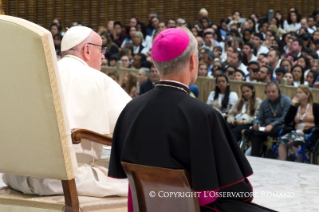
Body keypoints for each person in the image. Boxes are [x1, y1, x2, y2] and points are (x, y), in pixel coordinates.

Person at [109, 27, 275, 212]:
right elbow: (237, 190)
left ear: (156, 64)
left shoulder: (130, 108)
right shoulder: (204, 115)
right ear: (193, 61)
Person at [3, 26, 131, 197]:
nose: (102, 56)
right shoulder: (97, 79)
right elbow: (133, 125)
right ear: (87, 50)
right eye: (101, 50)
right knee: (138, 183)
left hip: (17, 177)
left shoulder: (38, 74)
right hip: (63, 180)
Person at [278, 85, 319, 162]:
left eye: (300, 92)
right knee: (282, 140)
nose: (297, 94)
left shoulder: (315, 107)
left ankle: (298, 164)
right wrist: (292, 106)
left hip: (310, 133)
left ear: (307, 95)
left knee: (295, 142)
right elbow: (286, 121)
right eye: (297, 92)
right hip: (296, 132)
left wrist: (305, 131)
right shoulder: (296, 107)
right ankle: (282, 163)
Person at [251, 81, 291, 157]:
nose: (271, 94)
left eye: (273, 91)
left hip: (281, 125)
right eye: (268, 92)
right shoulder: (264, 103)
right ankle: (254, 157)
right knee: (255, 132)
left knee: (275, 130)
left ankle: (270, 154)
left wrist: (272, 125)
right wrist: (256, 124)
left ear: (278, 91)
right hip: (267, 126)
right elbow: (259, 118)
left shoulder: (286, 101)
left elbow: (285, 118)